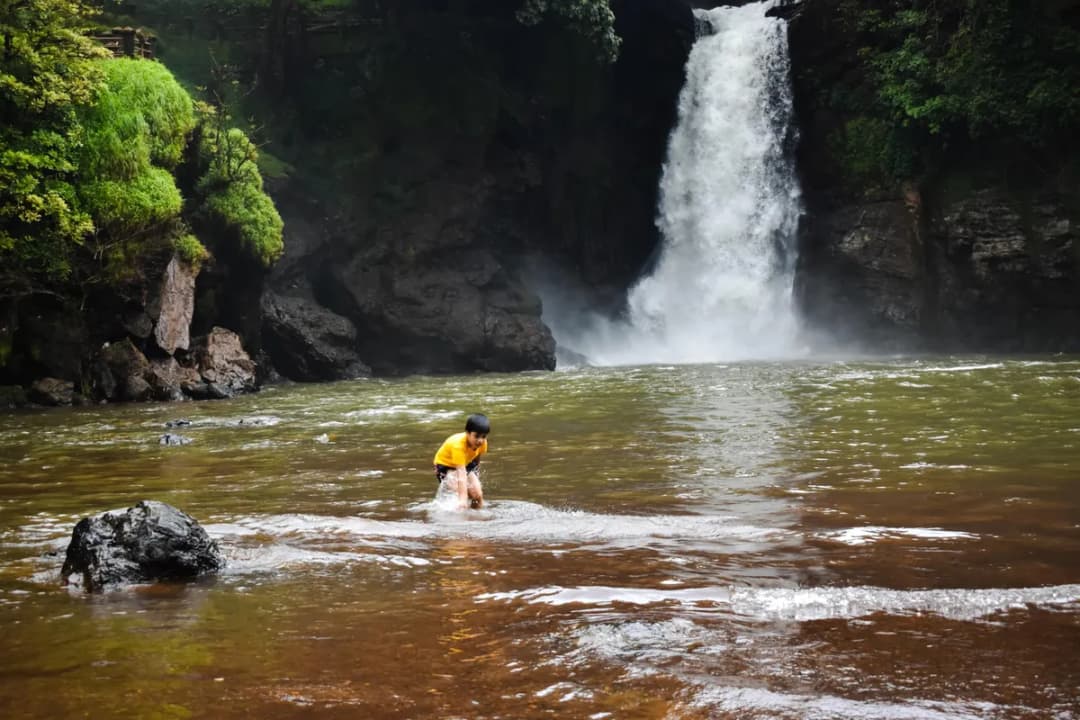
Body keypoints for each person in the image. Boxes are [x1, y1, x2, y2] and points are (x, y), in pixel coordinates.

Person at [433, 413, 490, 510]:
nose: (480, 440)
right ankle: (459, 519)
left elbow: (477, 458)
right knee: (462, 494)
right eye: (476, 436)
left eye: (483, 436)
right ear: (467, 433)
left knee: (477, 495)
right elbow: (461, 474)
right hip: (445, 465)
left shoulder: (483, 443)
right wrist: (462, 500)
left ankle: (478, 519)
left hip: (465, 463)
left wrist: (476, 474)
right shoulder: (458, 446)